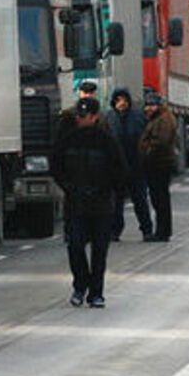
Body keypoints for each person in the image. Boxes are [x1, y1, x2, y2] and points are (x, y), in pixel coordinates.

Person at [52, 97, 127, 308]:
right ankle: (80, 284)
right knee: (75, 245)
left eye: (84, 116)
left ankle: (96, 293)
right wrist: (69, 187)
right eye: (78, 115)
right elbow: (56, 165)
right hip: (76, 203)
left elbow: (119, 170)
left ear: (94, 117)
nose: (80, 119)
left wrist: (108, 191)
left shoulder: (106, 140)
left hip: (101, 204)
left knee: (99, 251)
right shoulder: (68, 139)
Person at [106, 88, 152, 241]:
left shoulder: (138, 117)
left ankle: (146, 230)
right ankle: (114, 231)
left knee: (140, 200)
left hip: (136, 166)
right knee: (116, 203)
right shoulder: (109, 118)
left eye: (124, 100)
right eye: (118, 100)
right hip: (116, 168)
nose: (122, 103)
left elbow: (145, 138)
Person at [139, 90, 179, 242]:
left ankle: (163, 232)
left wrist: (147, 151)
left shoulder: (163, 120)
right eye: (147, 105)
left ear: (158, 106)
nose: (148, 108)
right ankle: (162, 230)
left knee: (160, 199)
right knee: (159, 199)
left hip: (159, 164)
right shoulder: (158, 118)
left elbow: (160, 142)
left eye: (152, 105)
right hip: (157, 163)